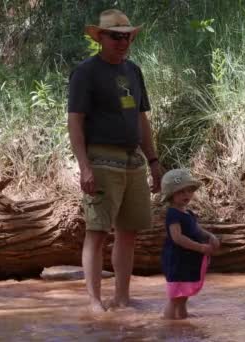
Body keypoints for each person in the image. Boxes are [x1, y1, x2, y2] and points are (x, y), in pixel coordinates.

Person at [67, 9, 162, 312]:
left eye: (127, 36)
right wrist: (84, 166)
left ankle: (122, 296)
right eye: (115, 36)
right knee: (97, 231)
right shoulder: (86, 72)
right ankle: (94, 301)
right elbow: (75, 121)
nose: (122, 42)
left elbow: (142, 119)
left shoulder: (133, 71)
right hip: (101, 157)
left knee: (129, 231)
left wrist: (154, 160)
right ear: (101, 38)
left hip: (133, 159)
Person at [160, 169, 220, 320]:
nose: (186, 195)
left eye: (189, 191)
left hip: (187, 260)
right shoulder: (173, 214)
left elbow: (197, 229)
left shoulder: (188, 213)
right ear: (171, 195)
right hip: (177, 260)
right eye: (181, 192)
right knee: (175, 297)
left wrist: (210, 236)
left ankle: (181, 319)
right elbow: (177, 237)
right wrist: (200, 247)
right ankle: (169, 324)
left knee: (183, 295)